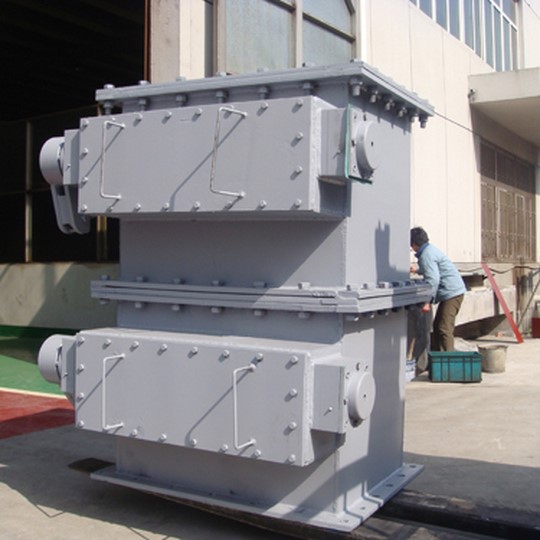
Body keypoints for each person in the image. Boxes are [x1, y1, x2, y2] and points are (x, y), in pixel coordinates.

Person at [410, 227, 466, 351]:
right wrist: (417, 270)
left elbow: (433, 280)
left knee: (444, 328)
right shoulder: (429, 250)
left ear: (414, 244)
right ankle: (439, 356)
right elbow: (432, 269)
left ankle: (447, 360)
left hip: (452, 293)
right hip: (451, 291)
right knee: (438, 326)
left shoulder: (426, 255)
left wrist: (427, 301)